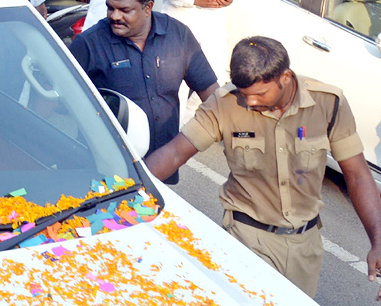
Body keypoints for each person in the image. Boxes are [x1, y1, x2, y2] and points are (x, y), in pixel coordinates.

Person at [145, 37, 381, 298]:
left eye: (260, 94)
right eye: (246, 95)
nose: (251, 103)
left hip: (306, 246)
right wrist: (131, 190)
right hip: (247, 238)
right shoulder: (224, 103)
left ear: (286, 77)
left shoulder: (328, 103)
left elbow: (358, 175)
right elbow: (176, 152)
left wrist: (378, 240)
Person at [71, 0, 217, 177]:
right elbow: (59, 97)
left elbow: (210, 91)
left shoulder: (178, 35)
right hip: (104, 167)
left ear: (148, 7)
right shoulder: (89, 44)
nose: (115, 16)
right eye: (110, 8)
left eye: (124, 10)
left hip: (162, 166)